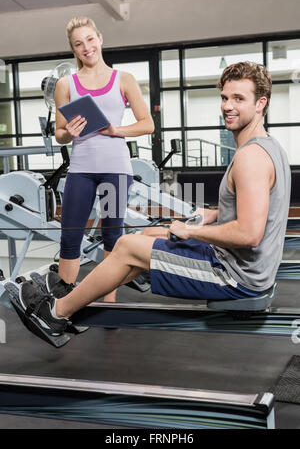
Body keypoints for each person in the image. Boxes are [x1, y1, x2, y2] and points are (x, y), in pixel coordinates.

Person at [16, 61, 291, 338]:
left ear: (260, 103)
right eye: (224, 97)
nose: (228, 106)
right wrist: (215, 214)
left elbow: (249, 233)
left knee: (126, 246)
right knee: (147, 233)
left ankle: (55, 313)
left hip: (234, 276)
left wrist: (191, 230)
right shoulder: (269, 147)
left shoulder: (250, 159)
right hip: (242, 265)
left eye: (239, 99)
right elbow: (256, 207)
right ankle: (85, 296)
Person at [50, 16, 154, 303]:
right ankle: (64, 306)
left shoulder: (124, 79)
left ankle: (109, 304)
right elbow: (59, 133)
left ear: (100, 38)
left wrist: (115, 130)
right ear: (73, 49)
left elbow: (147, 124)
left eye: (90, 40)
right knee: (70, 237)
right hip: (81, 169)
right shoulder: (65, 84)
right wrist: (67, 133)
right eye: (78, 44)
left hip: (115, 171)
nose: (86, 47)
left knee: (112, 237)